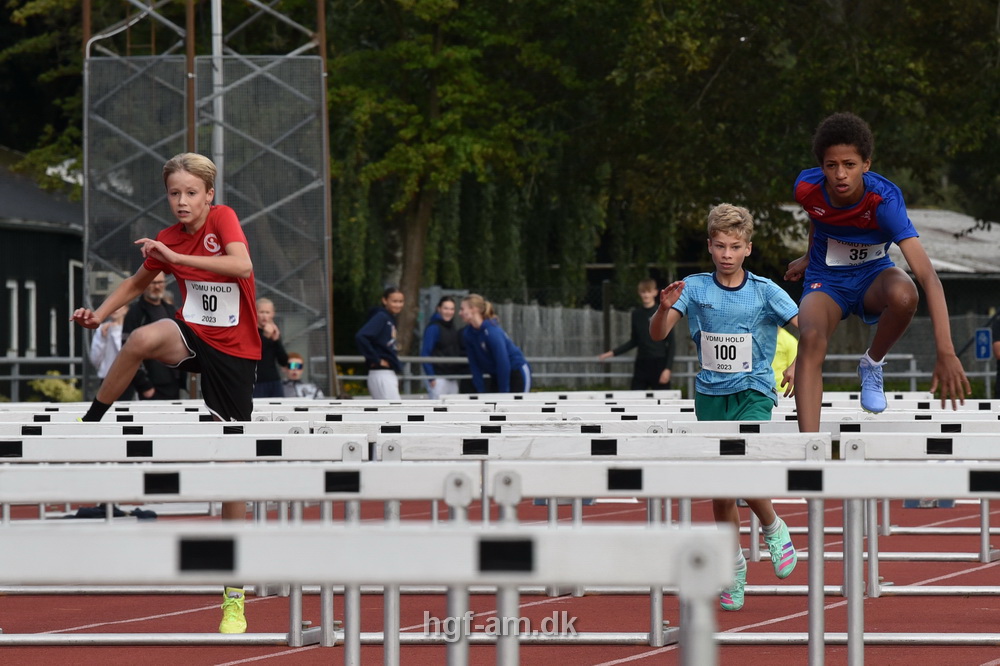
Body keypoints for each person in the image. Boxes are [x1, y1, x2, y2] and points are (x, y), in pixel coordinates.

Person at [70, 152, 260, 634]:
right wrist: (98, 311)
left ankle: (233, 596)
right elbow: (137, 283)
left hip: (236, 351)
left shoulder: (223, 219)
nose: (181, 201)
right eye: (174, 193)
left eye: (190, 193)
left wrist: (176, 259)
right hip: (193, 333)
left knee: (233, 467)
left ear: (208, 195)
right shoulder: (168, 238)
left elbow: (240, 265)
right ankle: (91, 422)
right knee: (138, 339)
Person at [650, 203, 799, 611]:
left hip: (754, 391)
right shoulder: (694, 288)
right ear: (710, 246)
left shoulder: (765, 290)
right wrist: (663, 309)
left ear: (748, 248)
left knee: (741, 467)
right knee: (720, 492)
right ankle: (732, 566)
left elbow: (810, 330)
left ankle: (773, 527)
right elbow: (659, 334)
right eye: (720, 246)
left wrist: (801, 363)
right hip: (710, 394)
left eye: (735, 247)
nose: (727, 254)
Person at [785, 112, 969, 431]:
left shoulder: (884, 200)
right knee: (811, 338)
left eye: (850, 165)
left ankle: (872, 363)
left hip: (873, 276)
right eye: (831, 166)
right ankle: (809, 444)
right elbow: (819, 217)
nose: (840, 174)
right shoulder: (806, 187)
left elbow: (928, 277)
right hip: (826, 280)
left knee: (905, 293)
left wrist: (946, 350)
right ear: (821, 167)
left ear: (866, 164)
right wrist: (806, 255)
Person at [599, 279, 676, 390]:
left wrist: (667, 369)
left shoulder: (662, 312)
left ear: (655, 292)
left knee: (664, 401)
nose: (646, 295)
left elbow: (672, 343)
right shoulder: (636, 314)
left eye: (648, 292)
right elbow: (634, 341)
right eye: (643, 292)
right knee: (635, 399)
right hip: (642, 363)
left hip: (659, 363)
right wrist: (610, 354)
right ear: (639, 293)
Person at [123, 272, 185, 400]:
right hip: (151, 387)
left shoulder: (171, 310)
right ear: (145, 285)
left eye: (160, 282)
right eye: (153, 283)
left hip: (174, 384)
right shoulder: (135, 314)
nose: (157, 287)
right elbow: (126, 350)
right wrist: (144, 386)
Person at [459, 294, 531, 393]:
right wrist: (480, 390)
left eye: (462, 309)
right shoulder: (468, 333)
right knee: (493, 405)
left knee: (516, 406)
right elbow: (474, 364)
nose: (460, 313)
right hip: (497, 374)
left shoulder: (491, 331)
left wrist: (504, 393)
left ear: (474, 309)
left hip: (515, 371)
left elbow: (503, 363)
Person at [355, 287, 404, 399]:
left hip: (386, 373)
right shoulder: (381, 317)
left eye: (401, 301)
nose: (398, 305)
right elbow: (361, 336)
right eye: (394, 301)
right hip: (381, 373)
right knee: (393, 411)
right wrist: (376, 359)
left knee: (391, 411)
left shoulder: (389, 319)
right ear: (385, 301)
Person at [420, 296, 467, 399]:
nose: (449, 312)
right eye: (446, 308)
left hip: (451, 377)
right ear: (439, 309)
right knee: (438, 409)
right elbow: (425, 353)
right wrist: (431, 378)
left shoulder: (452, 327)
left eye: (452, 309)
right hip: (438, 377)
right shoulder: (433, 328)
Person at [253, 297, 288, 398]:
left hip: (274, 381)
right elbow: (255, 354)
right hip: (256, 382)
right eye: (261, 312)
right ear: (255, 312)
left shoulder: (273, 332)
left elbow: (283, 361)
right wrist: (265, 337)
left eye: (267, 312)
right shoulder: (252, 331)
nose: (264, 316)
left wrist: (276, 340)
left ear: (273, 313)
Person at [772, 326, 798, 395]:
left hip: (782, 391)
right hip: (761, 389)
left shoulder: (790, 341)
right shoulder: (758, 338)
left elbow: (796, 370)